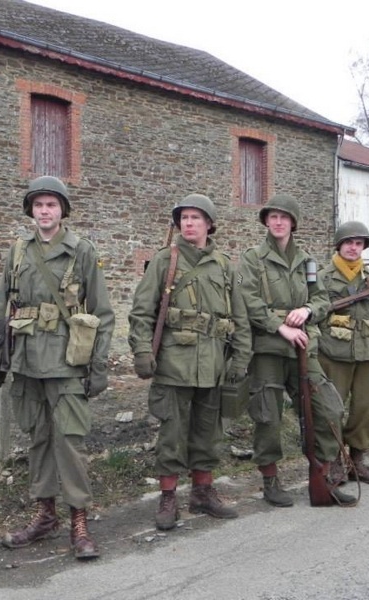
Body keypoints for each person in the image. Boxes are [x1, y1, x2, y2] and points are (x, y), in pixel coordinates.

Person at [0, 175, 114, 560]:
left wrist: (99, 366)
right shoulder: (18, 252)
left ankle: (79, 521)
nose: (44, 211)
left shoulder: (81, 251)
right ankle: (45, 515)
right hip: (25, 361)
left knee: (69, 442)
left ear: (62, 211)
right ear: (31, 211)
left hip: (67, 361)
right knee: (38, 439)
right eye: (38, 205)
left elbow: (102, 313)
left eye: (51, 205)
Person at [128, 193, 253, 530]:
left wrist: (240, 358)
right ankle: (168, 497)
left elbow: (239, 317)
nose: (188, 223)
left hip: (213, 365)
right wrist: (142, 351)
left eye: (196, 218)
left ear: (209, 225)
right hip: (173, 364)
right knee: (172, 434)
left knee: (207, 433)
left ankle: (202, 492)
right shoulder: (164, 260)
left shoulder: (226, 265)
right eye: (184, 218)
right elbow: (141, 311)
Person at [236, 195, 355, 507]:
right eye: (273, 217)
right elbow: (247, 299)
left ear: (293, 223)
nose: (278, 222)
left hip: (303, 346)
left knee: (327, 408)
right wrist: (280, 326)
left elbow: (323, 299)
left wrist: (306, 309)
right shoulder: (253, 258)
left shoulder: (307, 261)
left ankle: (324, 474)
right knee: (268, 416)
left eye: (284, 217)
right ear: (266, 221)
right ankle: (270, 480)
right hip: (268, 349)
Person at [317, 221, 369, 484]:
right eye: (349, 242)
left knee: (365, 410)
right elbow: (314, 315)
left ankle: (358, 459)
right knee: (332, 410)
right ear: (339, 245)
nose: (354, 248)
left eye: (359, 243)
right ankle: (335, 461)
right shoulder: (322, 278)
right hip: (333, 354)